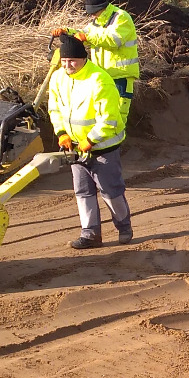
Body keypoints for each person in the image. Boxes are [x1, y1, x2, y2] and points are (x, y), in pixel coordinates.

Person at [46, 31, 132, 249]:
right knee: (83, 192)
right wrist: (61, 134)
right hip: (76, 148)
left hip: (103, 147)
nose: (67, 66)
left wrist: (91, 141)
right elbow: (54, 109)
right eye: (64, 61)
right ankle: (90, 234)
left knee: (111, 191)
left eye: (72, 61)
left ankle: (124, 227)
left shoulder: (100, 80)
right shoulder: (58, 78)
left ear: (83, 59)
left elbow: (109, 120)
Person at [75, 0, 140, 105]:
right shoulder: (98, 21)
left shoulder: (121, 17)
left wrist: (87, 37)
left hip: (121, 76)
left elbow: (113, 40)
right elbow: (84, 34)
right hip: (103, 75)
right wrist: (67, 32)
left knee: (119, 114)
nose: (93, 16)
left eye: (94, 13)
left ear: (102, 8)